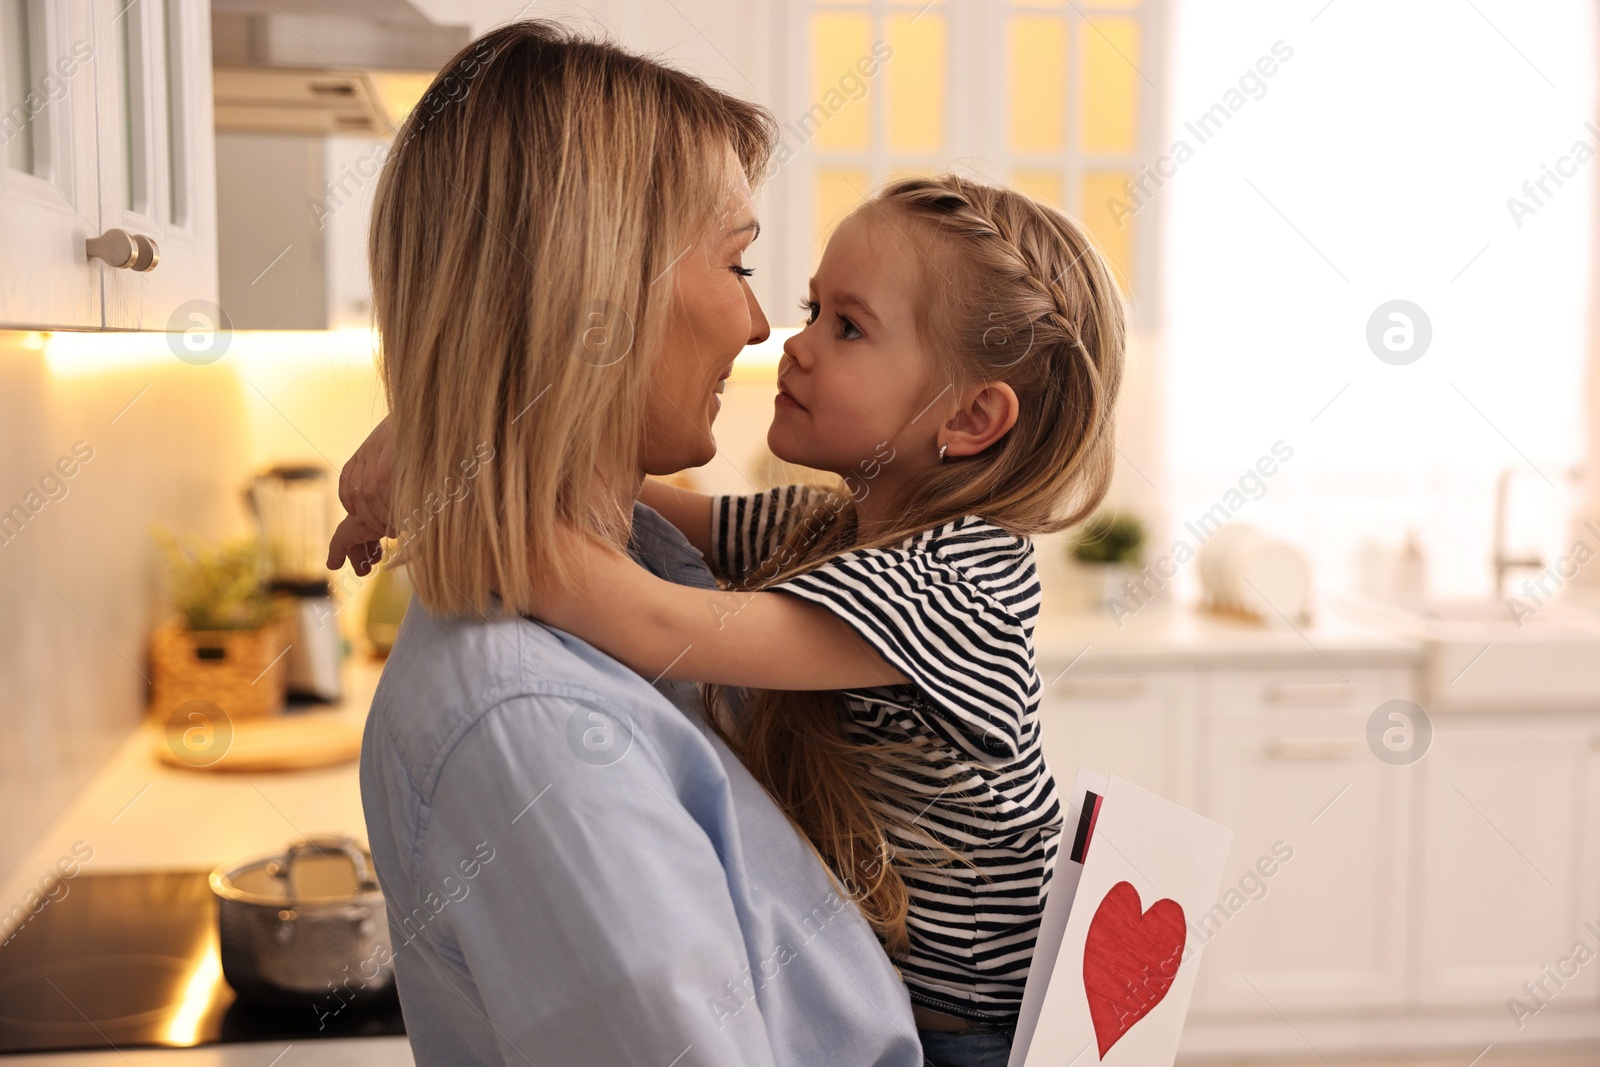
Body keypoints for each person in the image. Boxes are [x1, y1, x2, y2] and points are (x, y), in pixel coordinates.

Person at [342, 172, 1128, 1067]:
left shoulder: (952, 592)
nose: (789, 342)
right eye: (811, 306)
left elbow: (649, 618)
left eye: (849, 326)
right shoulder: (830, 527)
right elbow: (636, 500)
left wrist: (445, 468)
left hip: (976, 1035)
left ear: (971, 414)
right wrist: (463, 427)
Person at [329, 20, 925, 1067]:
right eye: (739, 264)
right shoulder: (533, 725)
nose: (757, 327)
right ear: (593, 293)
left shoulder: (640, 568)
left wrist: (450, 438)